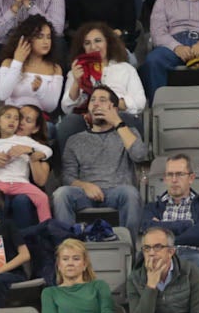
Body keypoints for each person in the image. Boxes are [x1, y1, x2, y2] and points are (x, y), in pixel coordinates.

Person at [53, 85, 148, 238]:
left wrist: (117, 122)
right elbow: (67, 176)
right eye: (93, 100)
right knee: (61, 194)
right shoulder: (75, 140)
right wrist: (85, 186)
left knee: (130, 193)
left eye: (102, 100)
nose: (96, 103)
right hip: (85, 194)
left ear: (114, 108)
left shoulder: (128, 133)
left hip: (118, 192)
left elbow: (139, 155)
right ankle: (68, 247)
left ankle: (130, 248)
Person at [143, 154, 199, 311]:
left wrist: (164, 234)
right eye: (170, 174)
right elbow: (148, 231)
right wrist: (187, 225)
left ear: (191, 178)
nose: (174, 179)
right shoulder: (152, 207)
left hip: (196, 257)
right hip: (162, 256)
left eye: (179, 174)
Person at [59, 22, 145, 144]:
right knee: (69, 123)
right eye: (87, 43)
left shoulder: (126, 69)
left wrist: (110, 103)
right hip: (88, 117)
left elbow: (139, 103)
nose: (93, 47)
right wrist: (77, 82)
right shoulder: (77, 70)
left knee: (128, 120)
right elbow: (67, 108)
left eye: (98, 41)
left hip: (118, 114)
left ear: (108, 43)